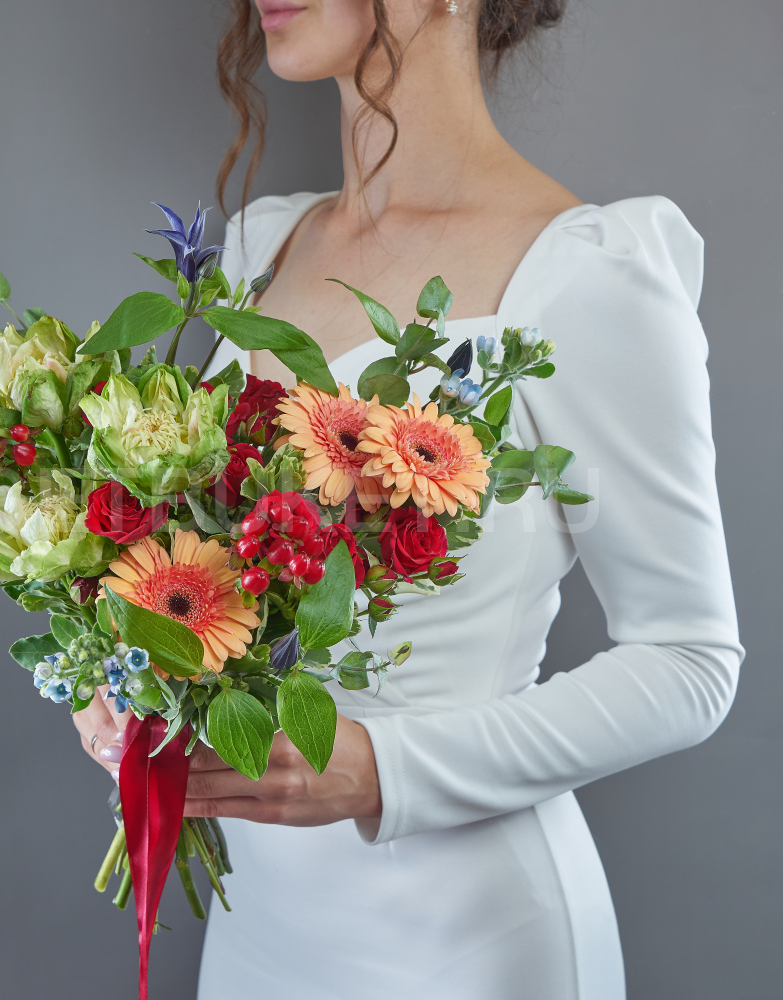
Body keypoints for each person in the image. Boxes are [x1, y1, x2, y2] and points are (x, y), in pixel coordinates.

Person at [73, 1, 744, 997]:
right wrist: (122, 679)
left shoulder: (585, 274)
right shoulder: (263, 248)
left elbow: (690, 661)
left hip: (468, 942)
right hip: (258, 937)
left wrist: (381, 767)